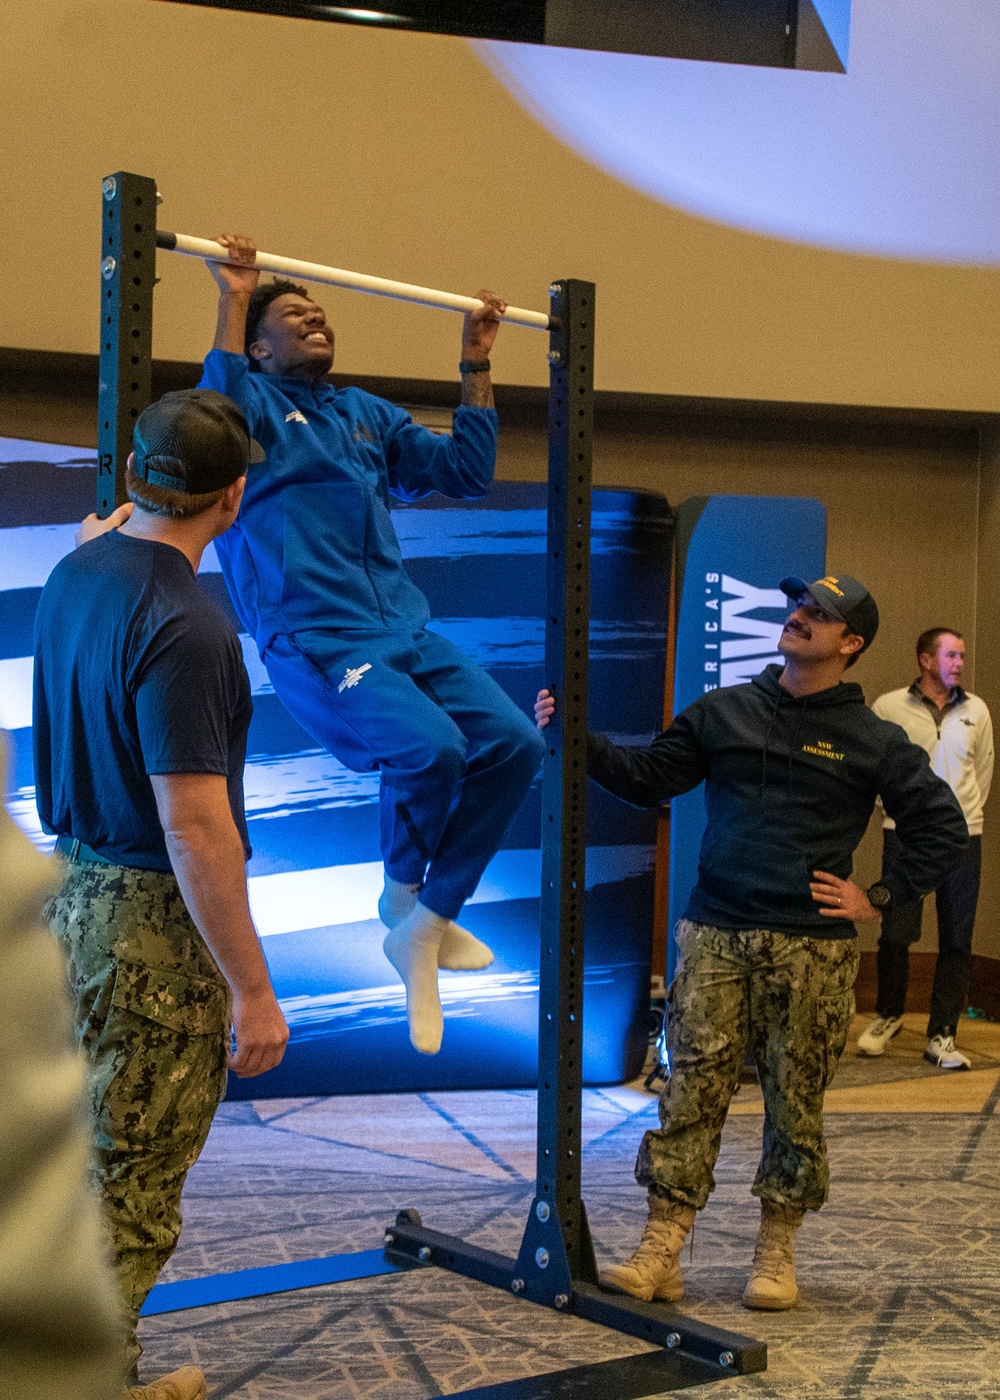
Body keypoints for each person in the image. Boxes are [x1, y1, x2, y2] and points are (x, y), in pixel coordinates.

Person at [536, 574, 967, 1312]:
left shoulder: (874, 738)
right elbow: (649, 780)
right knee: (690, 1092)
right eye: (799, 605)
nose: (799, 617)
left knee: (794, 1105)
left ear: (851, 643)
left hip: (814, 950)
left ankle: (776, 1252)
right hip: (715, 935)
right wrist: (577, 743)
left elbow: (942, 830)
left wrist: (880, 898)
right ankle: (662, 1249)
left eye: (819, 614)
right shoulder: (726, 710)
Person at [198, 236, 545, 1055]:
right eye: (291, 316)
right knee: (430, 750)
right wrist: (233, 293)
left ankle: (425, 921)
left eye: (318, 312)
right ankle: (403, 902)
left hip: (403, 627)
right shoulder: (247, 413)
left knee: (517, 744)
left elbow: (465, 471)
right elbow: (215, 399)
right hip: (316, 634)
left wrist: (475, 361)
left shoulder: (363, 413)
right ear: (259, 347)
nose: (313, 318)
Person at [33, 390, 290, 1398]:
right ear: (232, 496)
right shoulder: (188, 626)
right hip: (147, 924)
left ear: (136, 477)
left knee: (67, 1163)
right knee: (131, 1172)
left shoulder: (77, 569)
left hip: (71, 905)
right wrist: (252, 987)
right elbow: (194, 827)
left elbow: (112, 548)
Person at [0, 731, 125, 1400]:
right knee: (127, 1175)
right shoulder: (188, 632)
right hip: (141, 909)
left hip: (82, 883)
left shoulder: (61, 617)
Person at [859, 628, 993, 1070]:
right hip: (905, 835)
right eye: (952, 655)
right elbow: (875, 772)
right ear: (925, 660)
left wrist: (961, 818)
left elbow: (983, 773)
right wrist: (896, 814)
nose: (960, 663)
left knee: (958, 937)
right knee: (895, 931)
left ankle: (942, 1035)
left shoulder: (978, 710)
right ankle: (888, 1016)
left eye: (962, 656)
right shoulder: (888, 707)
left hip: (963, 839)